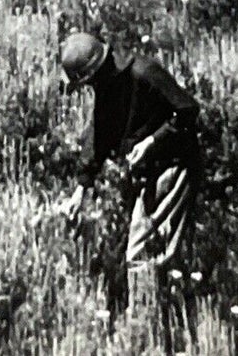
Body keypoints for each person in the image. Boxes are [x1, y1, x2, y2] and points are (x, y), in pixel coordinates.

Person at [57, 31, 200, 330]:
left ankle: (146, 329)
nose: (89, 88)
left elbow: (187, 110)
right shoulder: (109, 85)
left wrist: (151, 142)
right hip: (149, 172)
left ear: (95, 72)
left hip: (172, 166)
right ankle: (163, 320)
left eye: (86, 82)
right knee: (152, 249)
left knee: (142, 252)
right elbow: (99, 134)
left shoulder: (144, 72)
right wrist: (82, 187)